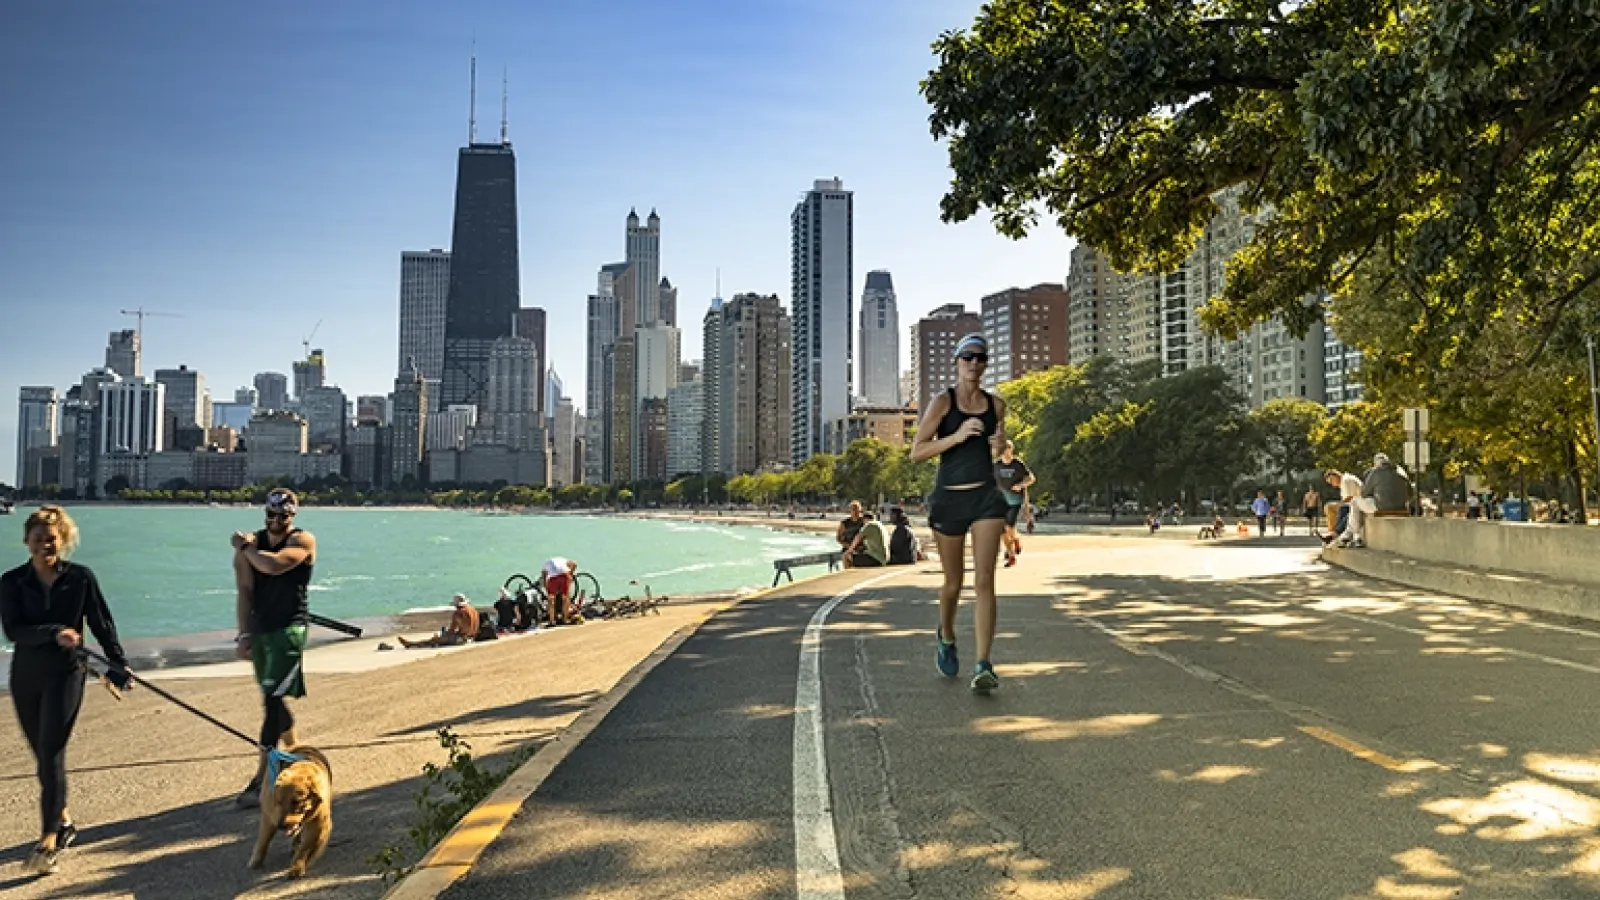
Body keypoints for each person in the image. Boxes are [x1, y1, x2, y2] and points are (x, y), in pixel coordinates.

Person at [2, 506, 131, 876]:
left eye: (52, 539)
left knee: (51, 752)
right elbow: (14, 631)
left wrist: (117, 665)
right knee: (42, 757)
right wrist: (54, 632)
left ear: (64, 541)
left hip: (66, 673)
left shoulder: (81, 579)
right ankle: (64, 820)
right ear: (26, 540)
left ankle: (48, 839)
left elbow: (102, 624)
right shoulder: (11, 583)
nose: (45, 544)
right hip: (26, 676)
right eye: (38, 538)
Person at [911, 333, 1011, 694]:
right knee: (953, 583)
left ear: (986, 364)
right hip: (949, 500)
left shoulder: (996, 406)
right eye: (967, 357)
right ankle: (947, 635)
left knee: (984, 579)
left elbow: (1000, 450)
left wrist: (1001, 447)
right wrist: (956, 436)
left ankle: (984, 664)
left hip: (985, 497)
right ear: (956, 362)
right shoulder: (943, 402)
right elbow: (917, 451)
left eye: (980, 358)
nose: (974, 363)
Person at [231, 488, 318, 809]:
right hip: (261, 628)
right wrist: (243, 635)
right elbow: (245, 589)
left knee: (271, 699)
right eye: (270, 514)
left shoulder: (302, 541)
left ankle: (264, 776)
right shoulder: (251, 544)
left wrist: (245, 548)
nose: (275, 521)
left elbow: (275, 566)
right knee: (274, 696)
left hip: (290, 628)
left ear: (292, 516)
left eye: (282, 515)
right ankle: (296, 754)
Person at [993, 440, 1035, 567]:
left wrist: (1021, 485)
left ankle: (1015, 540)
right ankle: (1011, 555)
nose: (1005, 452)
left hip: (1014, 500)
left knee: (1009, 527)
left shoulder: (1018, 464)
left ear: (1011, 450)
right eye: (1003, 449)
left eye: (1007, 449)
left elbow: (1031, 478)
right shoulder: (996, 465)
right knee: (1002, 530)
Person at [400, 594, 480, 647]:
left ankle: (412, 644)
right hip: (471, 637)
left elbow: (452, 630)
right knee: (441, 635)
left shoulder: (459, 613)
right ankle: (412, 644)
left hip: (461, 639)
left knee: (434, 640)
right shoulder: (473, 610)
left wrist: (442, 637)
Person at [542, 557, 579, 626]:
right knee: (565, 598)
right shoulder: (564, 560)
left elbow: (544, 575)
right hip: (564, 576)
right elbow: (574, 564)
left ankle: (552, 621)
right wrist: (571, 574)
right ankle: (564, 619)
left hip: (553, 578)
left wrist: (545, 585)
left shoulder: (546, 563)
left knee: (551, 599)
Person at [836, 501, 866, 567]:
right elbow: (838, 537)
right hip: (847, 548)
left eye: (857, 509)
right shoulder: (844, 523)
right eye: (853, 509)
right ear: (850, 510)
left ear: (860, 510)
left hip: (861, 549)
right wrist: (846, 545)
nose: (855, 511)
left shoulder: (864, 521)